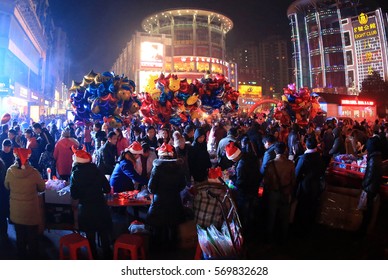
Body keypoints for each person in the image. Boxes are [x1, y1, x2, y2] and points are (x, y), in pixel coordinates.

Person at [69, 145, 112, 259]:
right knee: (104, 234)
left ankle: (94, 258)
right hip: (100, 206)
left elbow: (74, 195)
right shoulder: (97, 170)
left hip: (86, 209)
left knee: (90, 236)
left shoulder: (75, 174)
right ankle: (108, 257)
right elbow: (107, 189)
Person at [4, 148, 45, 259]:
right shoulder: (34, 172)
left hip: (16, 211)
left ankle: (21, 257)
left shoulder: (10, 171)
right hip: (31, 211)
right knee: (33, 239)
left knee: (20, 237)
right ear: (28, 158)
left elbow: (6, 186)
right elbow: (42, 188)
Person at [146, 143, 186, 250]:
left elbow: (151, 188)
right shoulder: (179, 167)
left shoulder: (157, 169)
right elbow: (183, 185)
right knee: (173, 227)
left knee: (159, 228)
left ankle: (160, 251)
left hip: (160, 203)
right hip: (175, 201)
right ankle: (174, 251)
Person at [226, 139, 261, 240]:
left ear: (235, 156)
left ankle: (246, 235)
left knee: (245, 214)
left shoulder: (241, 165)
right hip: (254, 189)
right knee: (252, 212)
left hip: (245, 193)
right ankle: (253, 231)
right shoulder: (248, 156)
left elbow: (241, 183)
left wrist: (231, 182)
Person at [263, 142, 296, 244]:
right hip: (285, 193)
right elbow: (293, 181)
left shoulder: (270, 164)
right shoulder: (290, 164)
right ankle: (283, 238)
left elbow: (266, 181)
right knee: (284, 217)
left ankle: (269, 238)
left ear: (275, 151)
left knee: (271, 216)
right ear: (285, 150)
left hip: (273, 193)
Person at [294, 136, 325, 233]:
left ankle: (301, 228)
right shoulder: (319, 157)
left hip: (305, 186)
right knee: (312, 206)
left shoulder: (303, 158)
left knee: (303, 206)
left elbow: (297, 173)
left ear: (306, 146)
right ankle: (310, 227)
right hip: (315, 185)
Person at [358, 136, 382, 236]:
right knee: (368, 209)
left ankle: (363, 231)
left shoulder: (373, 159)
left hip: (370, 188)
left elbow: (369, 175)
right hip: (373, 186)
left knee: (367, 210)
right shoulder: (376, 156)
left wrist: (363, 184)